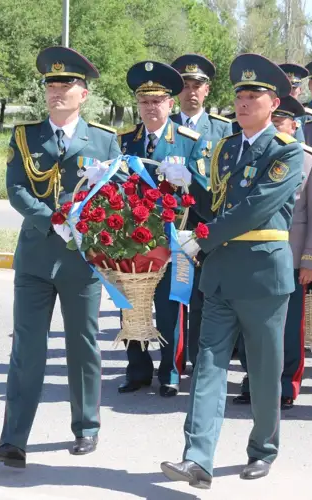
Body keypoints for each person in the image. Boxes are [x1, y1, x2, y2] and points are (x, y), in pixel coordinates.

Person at [160, 53, 303, 488]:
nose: (243, 102)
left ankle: (262, 449)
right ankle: (197, 459)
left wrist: (202, 238)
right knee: (208, 365)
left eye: (253, 95)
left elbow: (255, 208)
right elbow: (218, 204)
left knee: (262, 370)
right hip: (221, 274)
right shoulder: (223, 149)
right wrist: (188, 185)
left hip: (262, 274)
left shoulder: (287, 151)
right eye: (239, 95)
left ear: (273, 103)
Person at [0, 46, 122, 468]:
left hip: (81, 260)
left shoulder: (103, 139)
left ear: (84, 94)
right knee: (27, 348)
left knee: (82, 346)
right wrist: (51, 219)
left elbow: (114, 197)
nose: (57, 91)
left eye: (67, 85)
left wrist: (95, 231)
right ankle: (13, 440)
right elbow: (17, 189)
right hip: (37, 256)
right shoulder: (25, 136)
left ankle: (87, 426)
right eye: (51, 84)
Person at [117, 60, 208, 398]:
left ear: (171, 103)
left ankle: (170, 371)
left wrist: (186, 183)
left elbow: (206, 193)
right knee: (133, 306)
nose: (151, 108)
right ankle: (137, 369)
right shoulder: (125, 141)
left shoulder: (189, 141)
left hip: (174, 239)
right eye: (144, 102)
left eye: (157, 101)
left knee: (171, 308)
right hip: (131, 240)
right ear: (137, 105)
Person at [233, 95, 312, 410]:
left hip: (290, 256)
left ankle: (287, 384)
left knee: (287, 327)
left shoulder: (310, 158)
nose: (274, 125)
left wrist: (311, 260)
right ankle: (253, 380)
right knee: (249, 324)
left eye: (281, 120)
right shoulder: (246, 153)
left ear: (294, 125)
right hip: (249, 255)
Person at [169, 54, 233, 371]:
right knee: (173, 297)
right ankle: (173, 363)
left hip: (208, 224)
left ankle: (200, 358)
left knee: (205, 296)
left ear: (207, 91)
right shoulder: (164, 127)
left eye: (198, 86)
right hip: (170, 223)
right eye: (185, 86)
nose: (191, 92)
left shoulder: (223, 129)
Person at [279, 63, 312, 142]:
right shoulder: (269, 115)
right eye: (286, 88)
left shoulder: (311, 118)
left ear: (300, 90)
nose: (289, 92)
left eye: (293, 88)